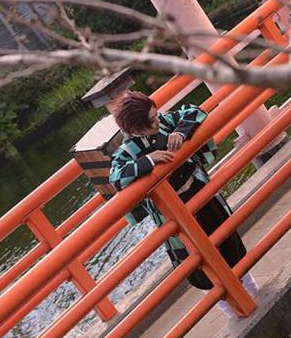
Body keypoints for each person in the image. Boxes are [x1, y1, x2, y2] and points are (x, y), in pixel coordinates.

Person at [109, 90, 257, 315]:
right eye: (151, 122)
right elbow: (116, 178)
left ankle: (253, 293)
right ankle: (233, 310)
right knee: (201, 267)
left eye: (156, 115)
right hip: (173, 215)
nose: (157, 121)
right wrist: (148, 160)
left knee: (230, 245)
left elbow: (195, 111)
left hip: (200, 194)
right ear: (134, 130)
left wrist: (181, 131)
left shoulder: (166, 123)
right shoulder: (126, 153)